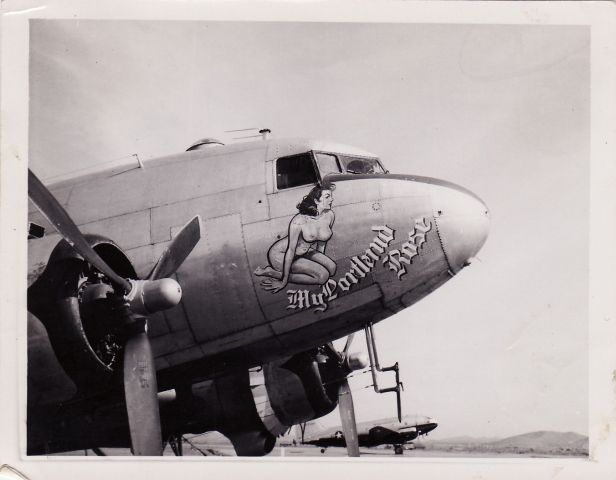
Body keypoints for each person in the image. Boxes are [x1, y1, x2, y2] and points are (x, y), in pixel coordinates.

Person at [255, 186, 336, 293]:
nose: (332, 199)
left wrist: (321, 264)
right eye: (327, 197)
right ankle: (274, 273)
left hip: (303, 251)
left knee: (332, 268)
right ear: (316, 200)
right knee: (323, 276)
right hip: (281, 255)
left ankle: (304, 271)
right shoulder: (299, 221)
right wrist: (283, 282)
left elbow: (322, 242)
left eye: (331, 196)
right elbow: (290, 250)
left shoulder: (329, 215)